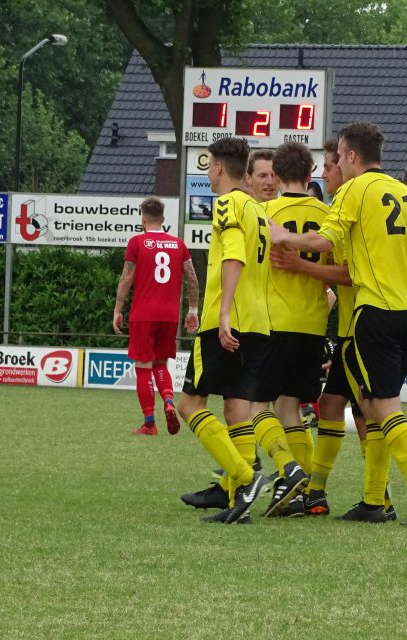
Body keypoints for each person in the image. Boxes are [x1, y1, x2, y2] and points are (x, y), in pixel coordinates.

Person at [270, 121, 407, 526]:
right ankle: (372, 501)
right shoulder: (406, 191)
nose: (331, 165)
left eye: (336, 156)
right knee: (362, 405)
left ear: (350, 156)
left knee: (381, 407)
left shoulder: (355, 190)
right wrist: (402, 254)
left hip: (375, 312)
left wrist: (280, 236)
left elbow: (324, 241)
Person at [175, 137, 276, 524]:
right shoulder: (256, 208)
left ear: (218, 167)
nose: (207, 172)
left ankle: (245, 477)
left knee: (189, 405)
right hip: (259, 322)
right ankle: (239, 503)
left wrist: (222, 314)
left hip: (230, 319)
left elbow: (233, 256)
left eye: (209, 165)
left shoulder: (230, 203)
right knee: (236, 409)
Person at [250, 140, 331, 517]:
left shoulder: (265, 213)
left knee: (254, 405)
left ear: (277, 176)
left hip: (275, 322)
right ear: (311, 174)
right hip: (313, 325)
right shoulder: (329, 216)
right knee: (290, 409)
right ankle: (310, 495)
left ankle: (288, 469)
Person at [112, 196, 199, 436]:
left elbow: (127, 278)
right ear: (163, 219)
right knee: (161, 363)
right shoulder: (178, 244)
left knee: (143, 366)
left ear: (143, 220)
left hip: (143, 314)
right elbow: (192, 278)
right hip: (169, 315)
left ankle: (149, 422)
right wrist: (192, 310)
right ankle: (169, 401)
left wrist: (118, 309)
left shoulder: (137, 242)